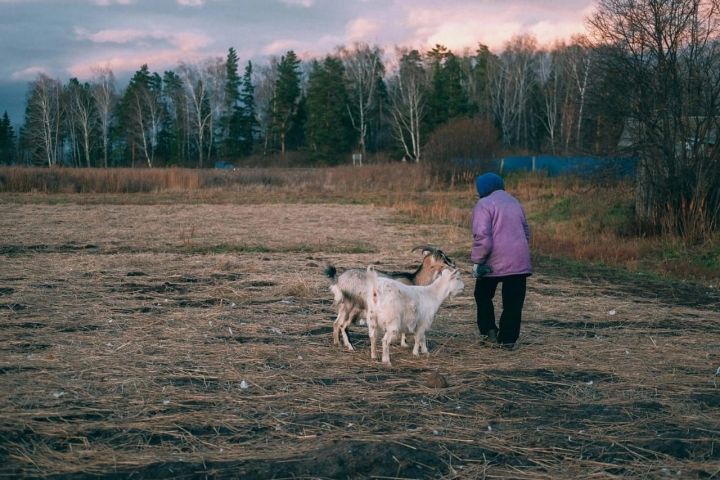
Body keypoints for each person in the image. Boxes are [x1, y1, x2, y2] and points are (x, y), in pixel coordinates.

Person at [470, 172, 532, 348]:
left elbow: (482, 237)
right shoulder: (514, 202)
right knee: (513, 302)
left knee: (482, 295)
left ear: (483, 188)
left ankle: (489, 332)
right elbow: (526, 232)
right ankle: (508, 340)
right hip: (520, 260)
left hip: (493, 261)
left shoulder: (484, 204)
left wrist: (478, 261)